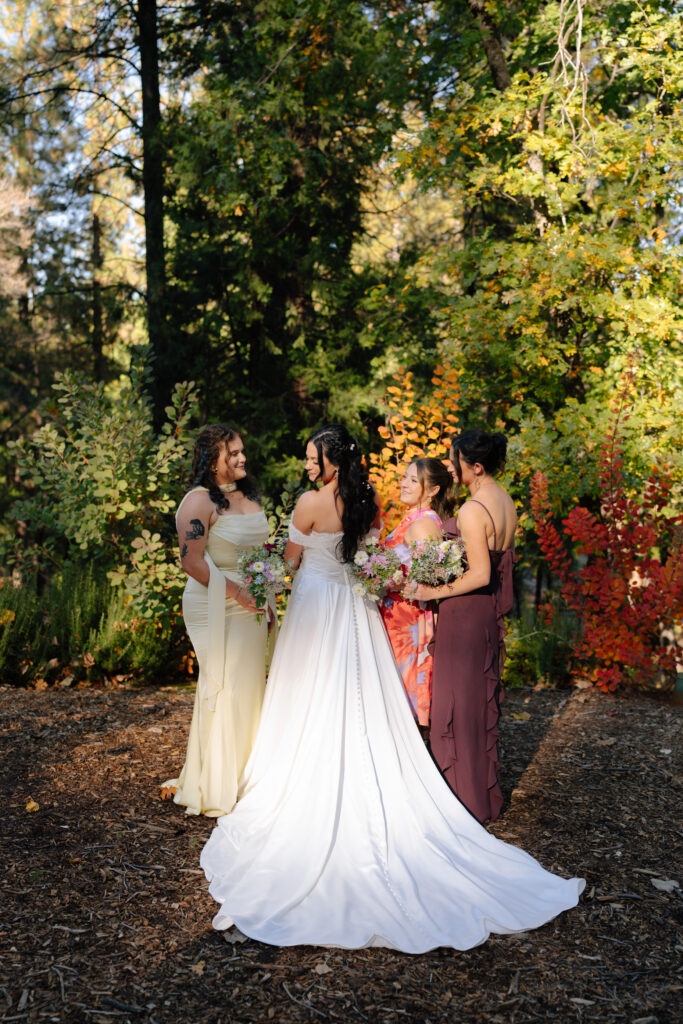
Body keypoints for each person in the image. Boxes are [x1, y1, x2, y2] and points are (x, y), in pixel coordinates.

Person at [200, 424, 583, 952]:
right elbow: (371, 561)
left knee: (309, 690)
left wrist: (260, 582)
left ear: (330, 462)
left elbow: (288, 563)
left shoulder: (310, 503)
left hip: (315, 606)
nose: (308, 465)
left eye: (313, 458)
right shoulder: (368, 503)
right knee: (362, 694)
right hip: (356, 610)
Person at [409, 429, 517, 824]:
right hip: (484, 617)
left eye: (454, 461)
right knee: (474, 708)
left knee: (454, 708)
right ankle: (478, 798)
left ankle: (460, 801)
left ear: (476, 466)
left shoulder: (473, 511)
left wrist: (428, 592)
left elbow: (481, 573)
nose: (450, 468)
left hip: (464, 614)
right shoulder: (504, 501)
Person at [162, 424, 271, 817]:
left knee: (249, 687)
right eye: (233, 454)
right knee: (223, 685)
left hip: (253, 603)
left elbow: (259, 552)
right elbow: (191, 561)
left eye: (242, 451)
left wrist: (265, 594)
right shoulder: (197, 502)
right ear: (213, 460)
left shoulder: (245, 495)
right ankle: (216, 782)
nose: (242, 458)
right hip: (216, 604)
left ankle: (247, 774)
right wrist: (239, 593)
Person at [380, 458, 453, 733]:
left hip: (408, 620)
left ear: (433, 490)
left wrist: (388, 580)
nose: (404, 483)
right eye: (405, 477)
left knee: (404, 691)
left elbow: (430, 575)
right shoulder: (411, 518)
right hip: (395, 615)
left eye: (413, 479)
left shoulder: (424, 524)